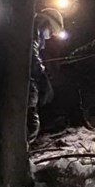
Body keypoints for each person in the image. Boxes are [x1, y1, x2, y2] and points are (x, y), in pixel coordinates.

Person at [29, 8, 63, 145]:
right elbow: (31, 54)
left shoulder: (33, 26)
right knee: (30, 118)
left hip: (26, 77)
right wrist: (41, 75)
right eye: (52, 32)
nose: (50, 36)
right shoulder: (37, 26)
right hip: (27, 79)